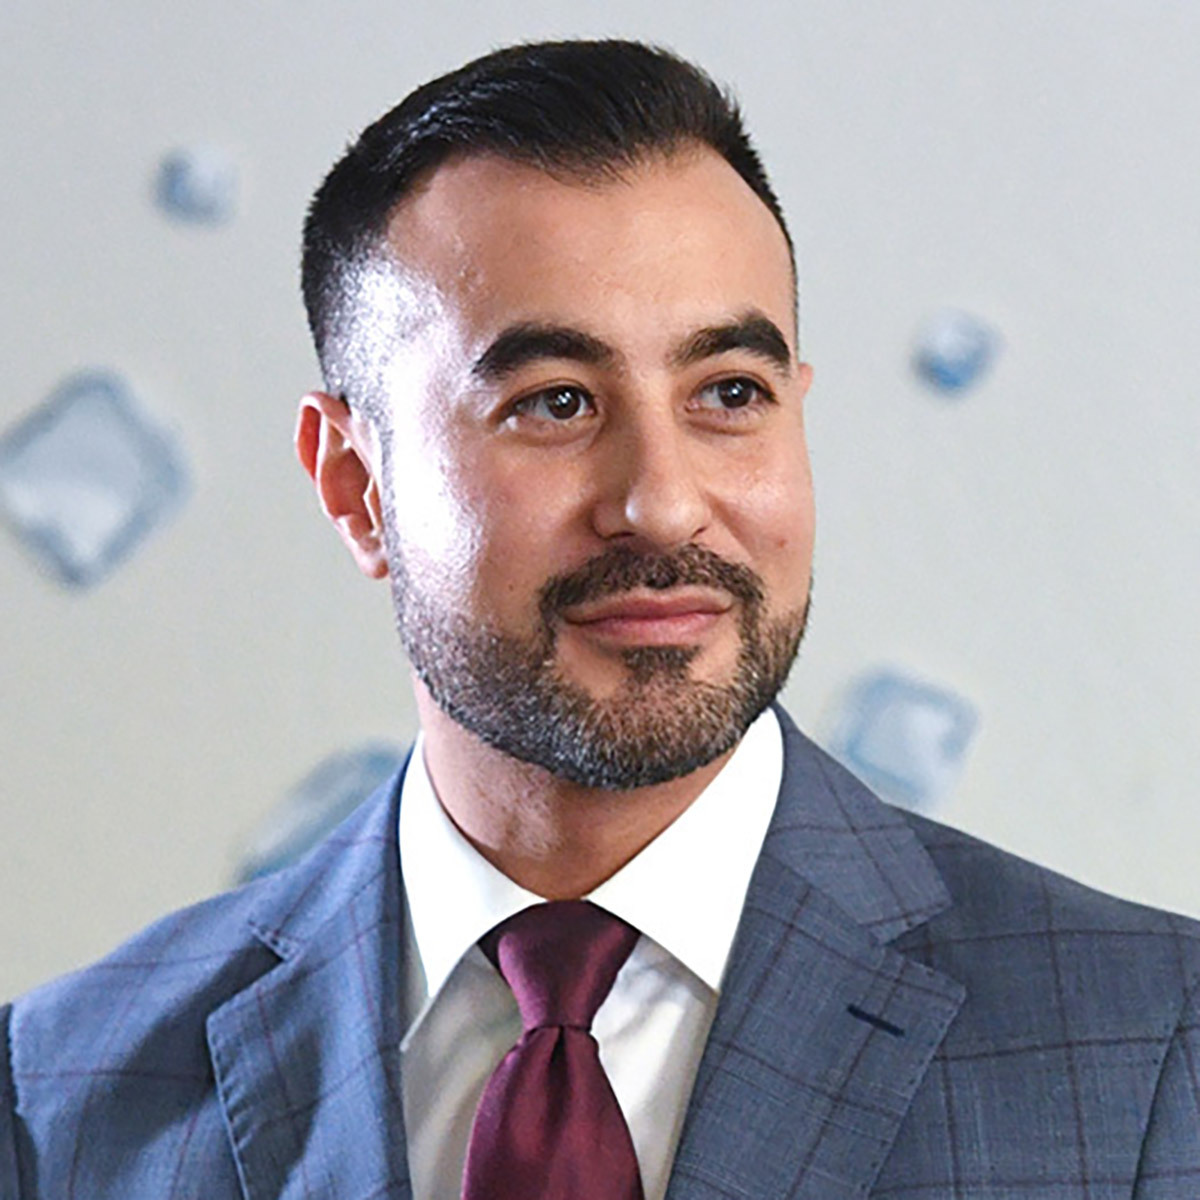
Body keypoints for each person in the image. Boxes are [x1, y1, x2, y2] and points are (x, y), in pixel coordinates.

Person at [2, 38, 1198, 1200]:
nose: (663, 504)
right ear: (357, 487)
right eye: (556, 403)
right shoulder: (55, 1105)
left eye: (730, 392)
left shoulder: (1152, 1050)